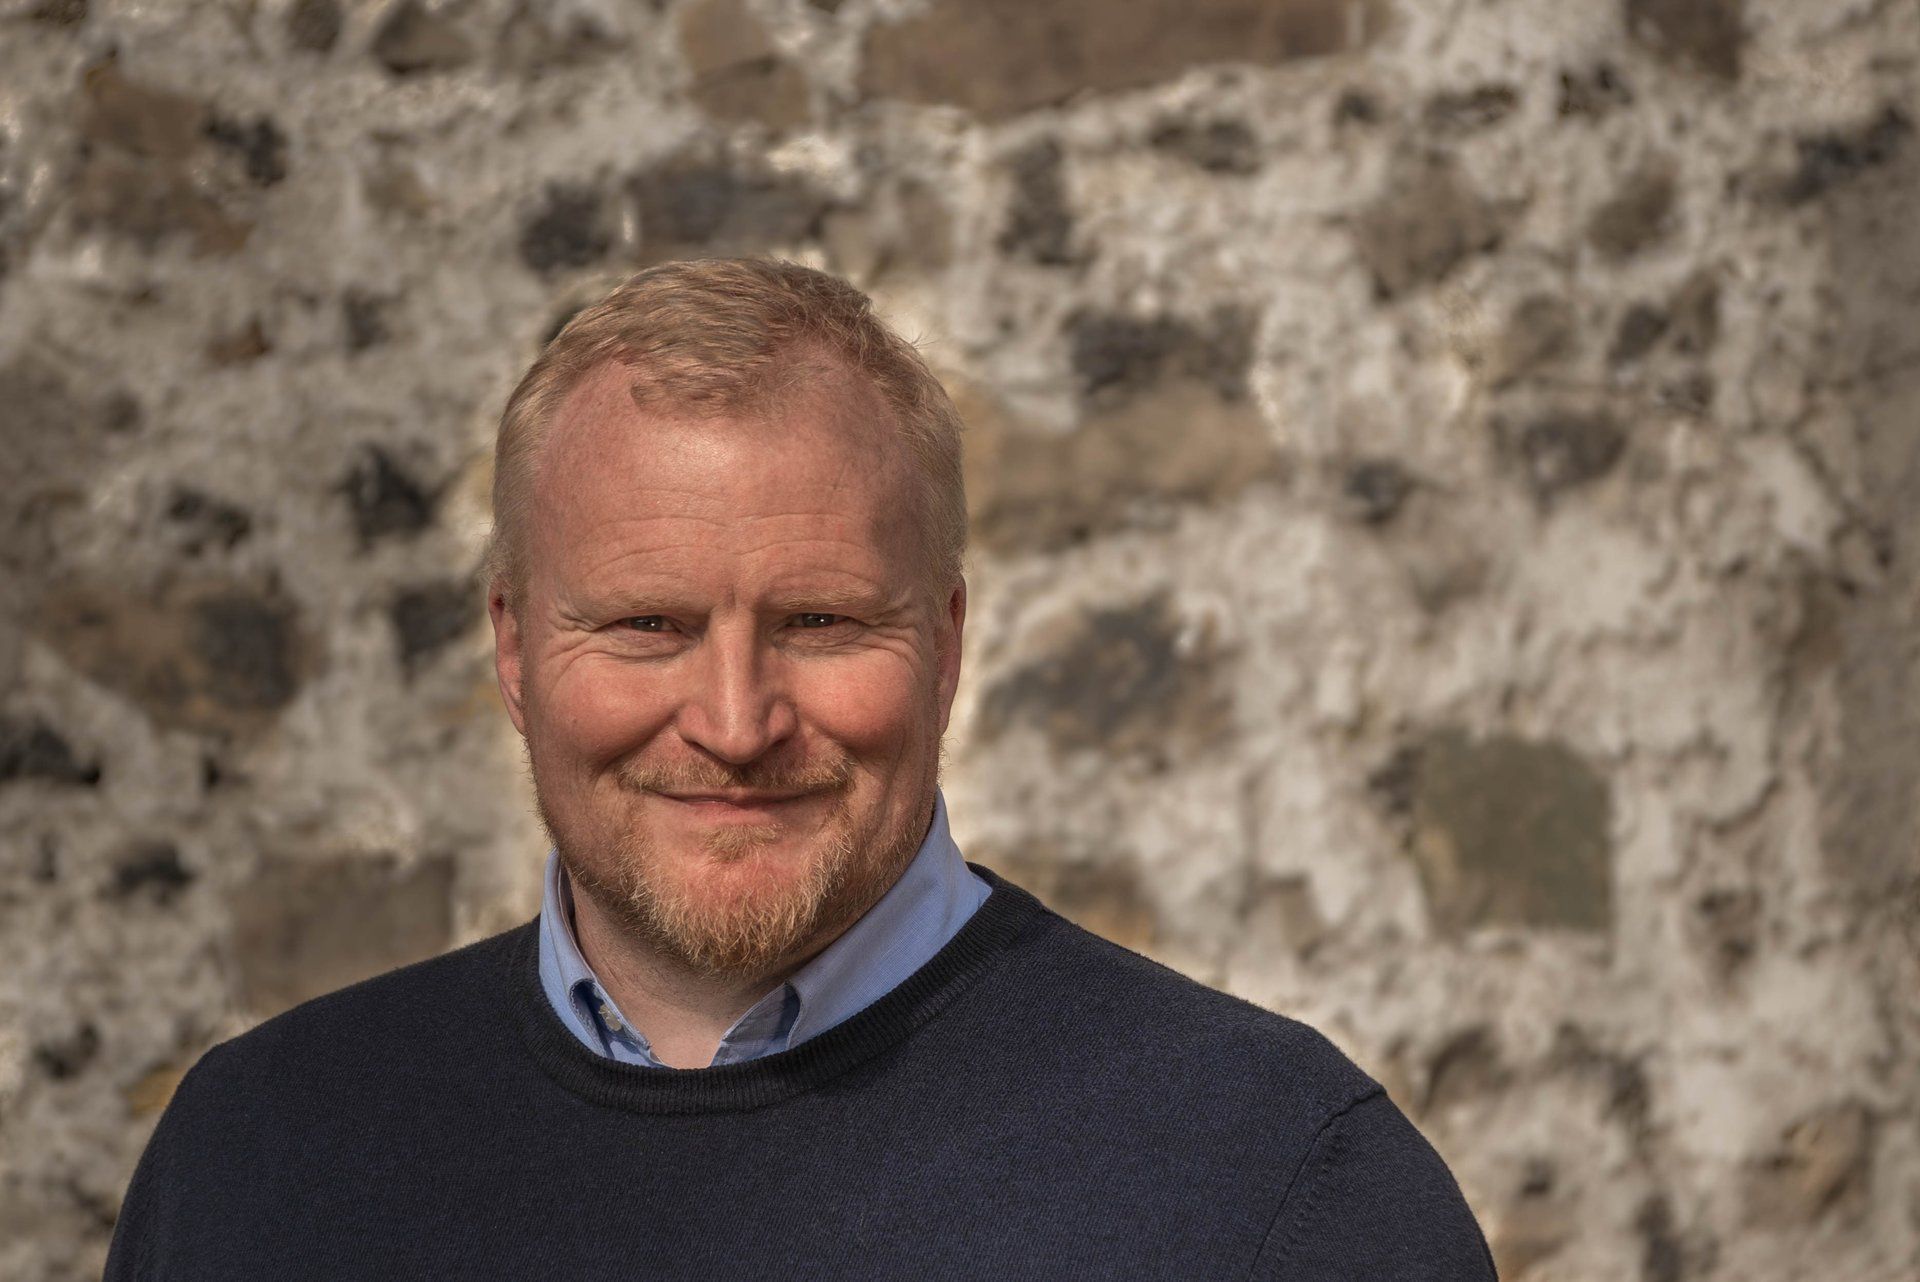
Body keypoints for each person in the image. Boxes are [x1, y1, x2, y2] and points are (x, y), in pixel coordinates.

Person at [105, 258, 1496, 1279]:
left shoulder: (1276, 1187)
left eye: (821, 622)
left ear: (947, 644)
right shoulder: (257, 1157)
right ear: (515, 650)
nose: (735, 721)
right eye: (647, 625)